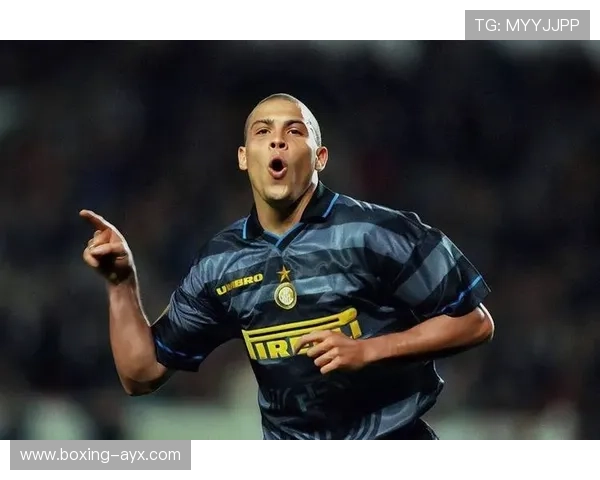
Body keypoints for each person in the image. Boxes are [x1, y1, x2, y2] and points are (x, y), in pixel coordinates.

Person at [80, 93, 495, 440]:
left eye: (294, 132)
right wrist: (120, 283)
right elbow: (142, 373)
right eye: (263, 132)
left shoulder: (377, 233)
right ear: (244, 157)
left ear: (320, 157)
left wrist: (370, 350)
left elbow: (475, 322)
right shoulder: (219, 263)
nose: (277, 140)